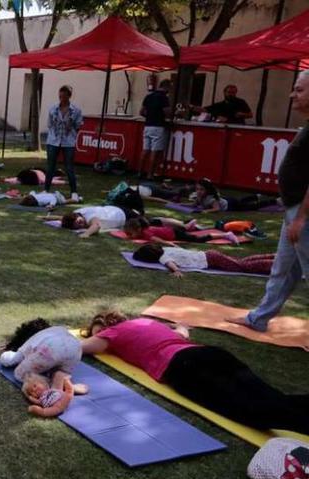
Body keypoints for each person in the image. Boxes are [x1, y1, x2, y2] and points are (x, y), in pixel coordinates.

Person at [81, 311, 309, 434]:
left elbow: (80, 348)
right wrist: (181, 327)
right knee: (273, 397)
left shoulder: (111, 334)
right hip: (210, 354)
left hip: (184, 367)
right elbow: (182, 333)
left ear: (106, 328)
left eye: (96, 332)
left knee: (253, 413)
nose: (96, 337)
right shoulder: (146, 323)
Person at [229, 71, 309, 332]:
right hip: (294, 212)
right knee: (283, 270)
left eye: (299, 90)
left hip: (302, 214)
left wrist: (301, 218)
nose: (292, 95)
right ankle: (258, 319)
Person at [0, 318, 86, 417]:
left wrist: (7, 354)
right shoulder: (56, 329)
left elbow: (11, 359)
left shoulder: (31, 340)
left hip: (50, 349)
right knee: (59, 372)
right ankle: (63, 382)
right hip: (77, 349)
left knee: (19, 375)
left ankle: (51, 389)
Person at [132, 243, 275, 277]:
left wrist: (176, 271)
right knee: (241, 261)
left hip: (211, 259)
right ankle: (272, 256)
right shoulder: (165, 249)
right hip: (209, 254)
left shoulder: (163, 257)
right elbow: (175, 245)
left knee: (242, 267)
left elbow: (170, 264)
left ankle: (274, 264)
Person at [45, 86, 83, 200]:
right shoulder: (53, 109)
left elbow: (78, 126)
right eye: (60, 96)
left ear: (69, 96)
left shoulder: (76, 110)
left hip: (68, 142)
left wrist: (70, 130)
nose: (61, 98)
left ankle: (74, 192)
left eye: (64, 96)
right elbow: (49, 124)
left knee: (69, 167)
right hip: (53, 141)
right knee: (50, 166)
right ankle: (46, 190)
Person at [139, 79, 172, 179]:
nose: (170, 90)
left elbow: (141, 112)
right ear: (166, 87)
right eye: (169, 88)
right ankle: (150, 174)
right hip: (158, 126)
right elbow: (167, 112)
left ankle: (139, 172)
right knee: (155, 151)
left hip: (148, 125)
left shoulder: (148, 96)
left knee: (145, 150)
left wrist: (150, 116)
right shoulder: (164, 98)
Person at [123, 217, 240, 245]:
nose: (128, 236)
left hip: (175, 234)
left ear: (138, 229)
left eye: (130, 233)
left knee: (198, 239)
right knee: (189, 232)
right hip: (171, 231)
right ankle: (191, 225)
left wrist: (168, 243)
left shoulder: (146, 233)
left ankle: (226, 234)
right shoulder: (142, 229)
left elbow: (156, 239)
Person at [189, 178, 280, 213]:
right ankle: (255, 196)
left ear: (207, 190)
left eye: (201, 189)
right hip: (228, 200)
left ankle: (274, 201)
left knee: (252, 206)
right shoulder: (199, 196)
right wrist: (184, 205)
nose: (199, 191)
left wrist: (206, 211)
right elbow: (194, 204)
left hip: (231, 205)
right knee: (242, 201)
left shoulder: (211, 199)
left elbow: (216, 209)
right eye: (197, 189)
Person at [51, 205, 137, 238]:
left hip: (124, 215)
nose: (81, 225)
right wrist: (48, 217)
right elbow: (63, 217)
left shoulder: (89, 217)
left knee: (143, 221)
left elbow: (96, 225)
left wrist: (86, 233)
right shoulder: (76, 213)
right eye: (78, 226)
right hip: (116, 210)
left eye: (79, 222)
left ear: (77, 216)